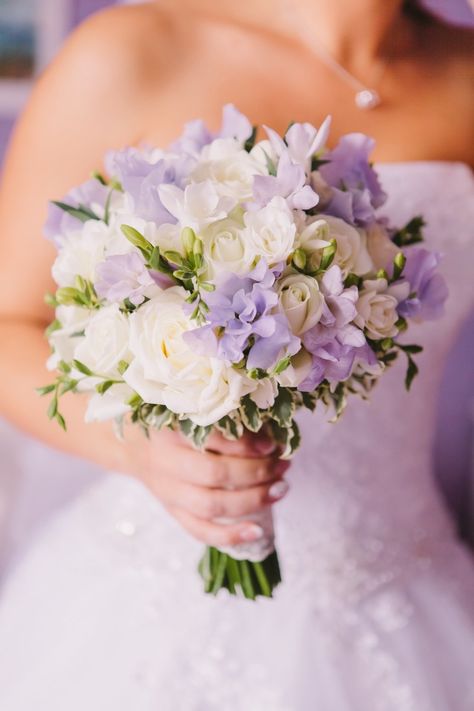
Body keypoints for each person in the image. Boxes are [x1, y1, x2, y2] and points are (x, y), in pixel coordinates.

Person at [0, 1, 472, 708]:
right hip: (144, 613)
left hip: (409, 589)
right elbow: (9, 321)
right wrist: (143, 450)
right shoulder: (135, 49)